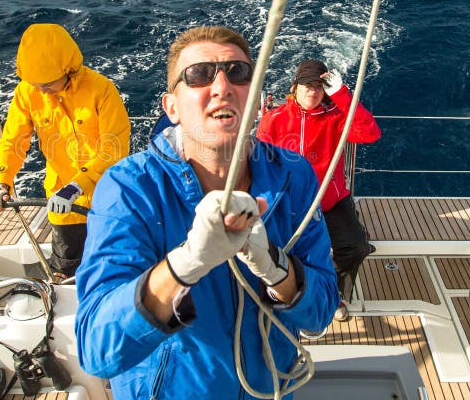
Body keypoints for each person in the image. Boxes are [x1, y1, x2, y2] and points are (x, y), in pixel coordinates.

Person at [75, 26, 338, 399]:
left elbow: (321, 310)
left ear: (258, 101)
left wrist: (277, 269)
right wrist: (184, 266)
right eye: (198, 75)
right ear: (172, 107)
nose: (221, 87)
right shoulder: (130, 189)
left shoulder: (293, 175)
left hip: (272, 390)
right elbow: (98, 349)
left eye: (239, 73)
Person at [0, 23, 130, 279]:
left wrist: (78, 186)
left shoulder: (101, 90)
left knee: (114, 265)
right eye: (36, 84)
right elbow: (12, 140)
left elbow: (113, 150)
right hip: (61, 205)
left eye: (47, 84)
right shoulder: (27, 92)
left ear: (68, 69)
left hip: (107, 197)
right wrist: (1, 182)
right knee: (66, 266)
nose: (42, 91)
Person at [256, 59, 381, 321]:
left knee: (356, 246)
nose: (312, 90)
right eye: (307, 85)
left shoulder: (336, 117)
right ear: (295, 87)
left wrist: (342, 95)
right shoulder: (274, 119)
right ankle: (283, 294)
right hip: (288, 203)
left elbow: (369, 134)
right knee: (268, 247)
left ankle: (333, 293)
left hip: (330, 201)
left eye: (319, 86)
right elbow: (260, 162)